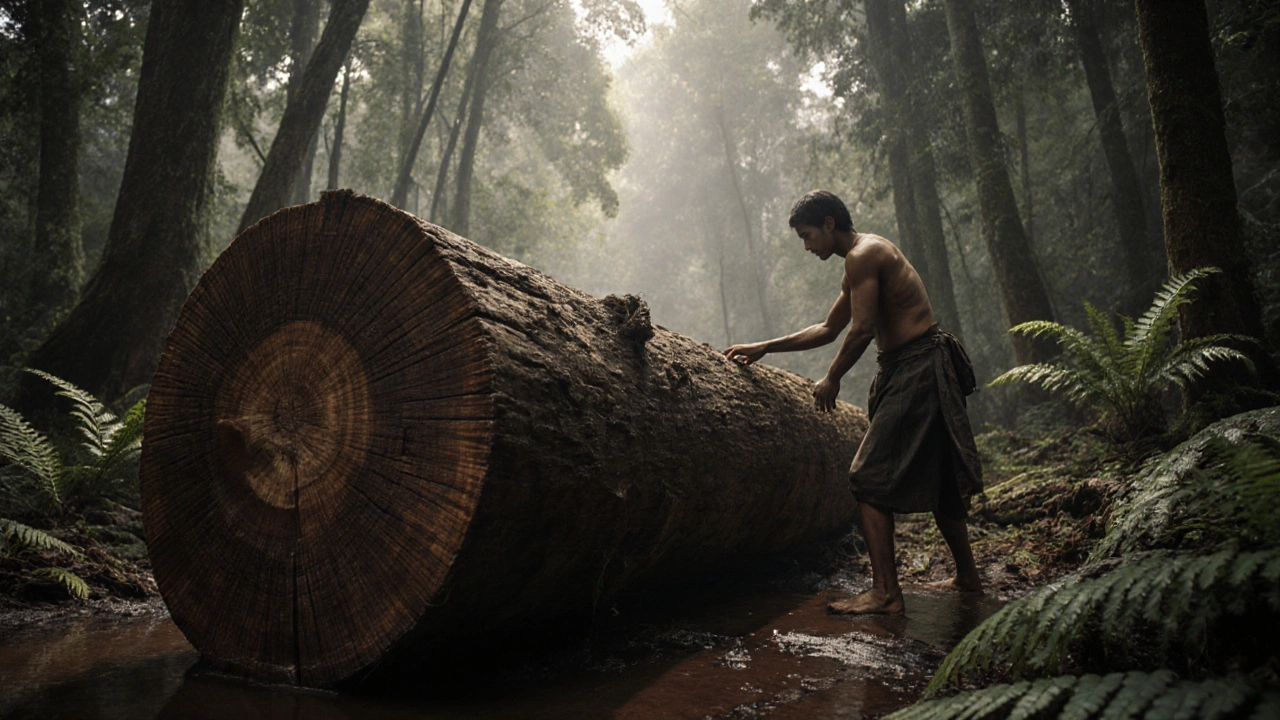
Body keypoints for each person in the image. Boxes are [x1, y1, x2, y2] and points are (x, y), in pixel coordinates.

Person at [724, 190, 984, 615]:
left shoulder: (864, 254)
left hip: (918, 367)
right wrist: (765, 346)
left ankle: (885, 593)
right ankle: (969, 578)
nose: (807, 247)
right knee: (942, 480)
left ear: (829, 224)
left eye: (808, 236)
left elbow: (861, 330)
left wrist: (832, 378)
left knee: (866, 477)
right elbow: (829, 328)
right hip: (917, 365)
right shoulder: (859, 260)